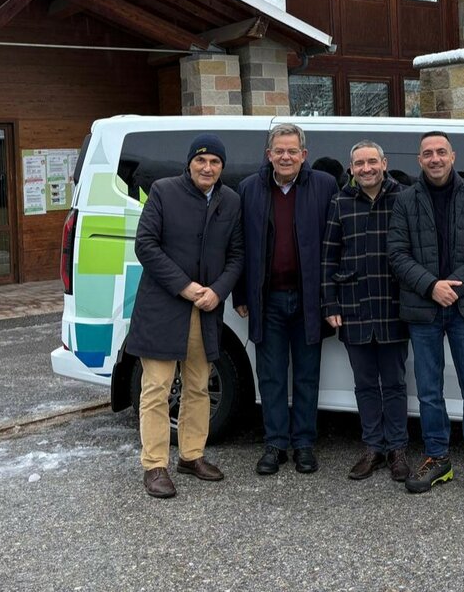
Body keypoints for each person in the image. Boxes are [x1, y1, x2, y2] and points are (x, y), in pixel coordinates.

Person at [126, 134, 243, 499]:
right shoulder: (164, 191)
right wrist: (186, 287)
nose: (207, 168)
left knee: (198, 384)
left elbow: (237, 254)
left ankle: (191, 456)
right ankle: (155, 465)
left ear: (222, 167)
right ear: (190, 162)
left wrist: (217, 290)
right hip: (164, 306)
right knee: (157, 387)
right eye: (201, 160)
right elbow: (145, 244)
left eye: (215, 163)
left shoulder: (231, 201)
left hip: (206, 309)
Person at [387, 130, 464, 502]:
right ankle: (437, 457)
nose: (435, 158)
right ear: (419, 160)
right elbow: (397, 254)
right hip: (423, 308)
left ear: (453, 156)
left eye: (441, 152)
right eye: (427, 153)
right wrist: (431, 286)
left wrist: (452, 287)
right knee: (430, 391)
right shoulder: (406, 201)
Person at [235, 123, 338, 475]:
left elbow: (335, 245)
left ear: (304, 155)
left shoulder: (324, 186)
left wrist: (332, 298)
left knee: (308, 375)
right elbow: (240, 246)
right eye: (279, 150)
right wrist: (240, 293)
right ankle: (275, 444)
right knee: (272, 376)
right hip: (268, 300)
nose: (285, 157)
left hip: (311, 300)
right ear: (269, 154)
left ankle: (304, 444)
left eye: (292, 151)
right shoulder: (250, 188)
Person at [322, 141, 410, 482]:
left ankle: (397, 449)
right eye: (360, 163)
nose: (367, 168)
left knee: (395, 382)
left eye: (372, 161)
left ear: (384, 163)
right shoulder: (340, 202)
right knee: (364, 384)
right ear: (352, 168)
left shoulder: (404, 199)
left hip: (394, 306)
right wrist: (329, 303)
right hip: (354, 305)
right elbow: (328, 256)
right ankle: (373, 447)